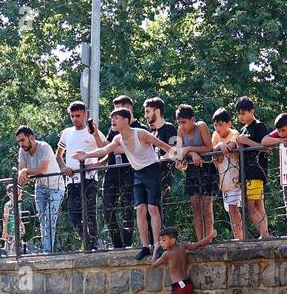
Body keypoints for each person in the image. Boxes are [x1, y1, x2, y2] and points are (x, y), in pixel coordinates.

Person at [73, 107, 173, 260]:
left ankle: (158, 246)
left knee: (153, 208)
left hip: (152, 171)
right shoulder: (118, 139)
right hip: (138, 173)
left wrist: (179, 156)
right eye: (112, 118)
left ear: (126, 120)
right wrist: (86, 154)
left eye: (116, 118)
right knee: (140, 209)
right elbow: (105, 150)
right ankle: (146, 246)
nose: (113, 120)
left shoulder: (141, 133)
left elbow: (163, 145)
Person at [57, 101, 104, 252]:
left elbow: (107, 150)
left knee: (90, 213)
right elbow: (58, 155)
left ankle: (94, 245)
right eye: (72, 116)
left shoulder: (92, 131)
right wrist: (64, 167)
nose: (75, 119)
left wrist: (95, 165)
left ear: (84, 115)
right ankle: (88, 241)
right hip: (71, 180)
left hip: (89, 179)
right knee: (73, 215)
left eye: (78, 116)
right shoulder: (67, 132)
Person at [16, 125, 66, 254]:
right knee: (43, 220)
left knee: (49, 219)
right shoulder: (22, 151)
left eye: (22, 140)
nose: (21, 144)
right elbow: (21, 170)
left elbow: (43, 170)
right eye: (19, 141)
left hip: (55, 187)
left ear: (31, 137)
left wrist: (26, 171)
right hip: (40, 187)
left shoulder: (44, 147)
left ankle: (48, 252)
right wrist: (23, 172)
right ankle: (46, 250)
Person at [101, 95, 141, 250]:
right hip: (112, 172)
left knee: (128, 209)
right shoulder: (113, 129)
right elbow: (105, 149)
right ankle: (117, 244)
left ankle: (127, 243)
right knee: (107, 208)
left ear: (128, 109)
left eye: (118, 111)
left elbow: (117, 148)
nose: (114, 115)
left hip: (130, 172)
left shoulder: (139, 128)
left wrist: (113, 147)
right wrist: (96, 133)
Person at [174, 105, 217, 246]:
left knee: (206, 205)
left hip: (206, 168)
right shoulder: (180, 130)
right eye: (179, 122)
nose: (182, 125)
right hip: (191, 170)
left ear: (192, 120)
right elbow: (180, 151)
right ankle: (200, 241)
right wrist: (192, 153)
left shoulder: (201, 126)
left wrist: (189, 148)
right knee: (195, 206)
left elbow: (209, 147)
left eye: (184, 122)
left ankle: (208, 239)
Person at [231, 97, 272, 239]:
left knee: (250, 207)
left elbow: (266, 148)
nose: (240, 116)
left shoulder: (259, 126)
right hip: (246, 173)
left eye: (243, 113)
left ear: (252, 111)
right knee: (258, 205)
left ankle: (265, 234)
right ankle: (264, 234)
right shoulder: (243, 129)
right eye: (239, 113)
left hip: (256, 172)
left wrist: (246, 141)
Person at [210, 108, 244, 239]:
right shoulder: (215, 136)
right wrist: (219, 146)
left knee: (233, 207)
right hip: (223, 178)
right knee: (230, 209)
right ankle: (238, 236)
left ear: (228, 123)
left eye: (220, 124)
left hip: (235, 177)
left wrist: (221, 146)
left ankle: (240, 237)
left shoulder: (234, 132)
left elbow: (231, 145)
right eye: (215, 125)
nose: (218, 128)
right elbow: (215, 155)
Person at [144, 97, 180, 218]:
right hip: (150, 179)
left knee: (160, 213)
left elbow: (176, 151)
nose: (145, 115)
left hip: (164, 179)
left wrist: (159, 158)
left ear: (157, 112)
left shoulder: (169, 128)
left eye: (148, 111)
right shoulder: (151, 132)